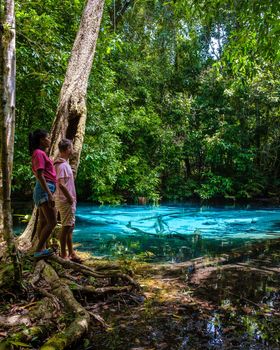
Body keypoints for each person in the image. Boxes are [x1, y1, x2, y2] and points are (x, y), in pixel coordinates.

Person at [29, 129, 57, 258]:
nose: (50, 140)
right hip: (44, 189)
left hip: (43, 189)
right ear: (41, 140)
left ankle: (41, 249)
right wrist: (49, 194)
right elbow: (40, 175)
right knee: (52, 222)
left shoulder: (38, 153)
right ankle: (39, 250)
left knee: (43, 220)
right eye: (48, 138)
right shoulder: (39, 153)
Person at [54, 139, 82, 263]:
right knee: (66, 227)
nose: (72, 150)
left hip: (67, 200)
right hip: (65, 200)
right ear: (66, 150)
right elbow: (61, 184)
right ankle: (64, 255)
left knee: (70, 226)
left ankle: (71, 253)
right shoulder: (63, 165)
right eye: (71, 148)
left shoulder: (63, 163)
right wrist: (70, 198)